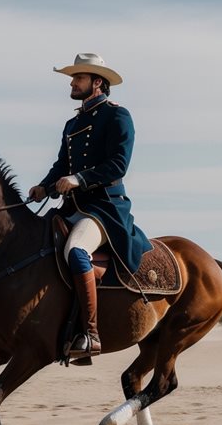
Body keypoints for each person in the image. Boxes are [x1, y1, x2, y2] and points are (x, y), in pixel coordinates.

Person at [29, 52, 152, 361]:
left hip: (104, 208)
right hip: (72, 206)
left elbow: (118, 165)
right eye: (73, 78)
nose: (72, 82)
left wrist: (80, 180)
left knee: (76, 251)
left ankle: (91, 334)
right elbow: (61, 165)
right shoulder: (72, 122)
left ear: (97, 82)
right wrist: (44, 185)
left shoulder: (117, 116)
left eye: (78, 78)